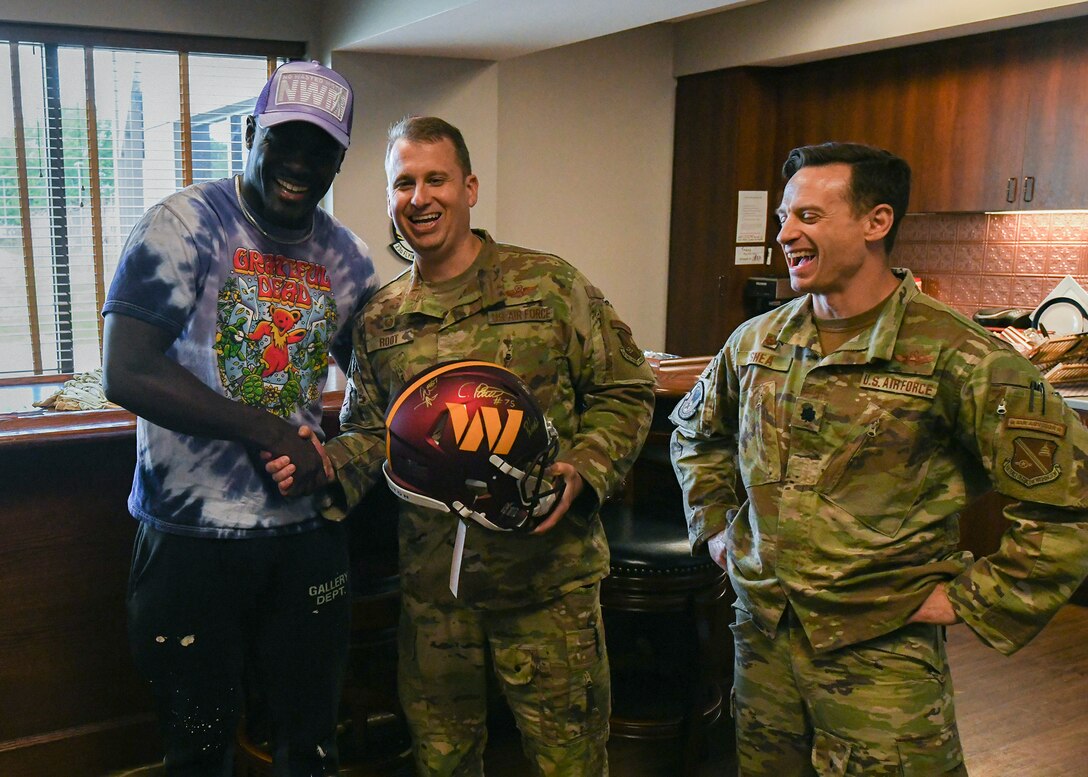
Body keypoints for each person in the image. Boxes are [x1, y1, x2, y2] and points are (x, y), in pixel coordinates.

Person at [669, 141, 1088, 776]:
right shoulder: (757, 342)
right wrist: (718, 530)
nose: (786, 235)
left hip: (880, 656)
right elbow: (696, 436)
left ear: (876, 222)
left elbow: (1069, 499)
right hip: (763, 641)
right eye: (784, 217)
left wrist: (975, 598)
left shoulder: (957, 355)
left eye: (808, 217)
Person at [268, 115, 655, 776]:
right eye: (403, 183)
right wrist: (321, 465)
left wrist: (583, 468)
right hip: (435, 593)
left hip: (546, 583)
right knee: (443, 761)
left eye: (435, 179)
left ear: (470, 187)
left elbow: (627, 386)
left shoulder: (550, 287)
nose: (419, 198)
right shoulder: (381, 319)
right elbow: (370, 433)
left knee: (571, 761)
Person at [101, 60, 378, 776]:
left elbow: (378, 388)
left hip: (304, 536)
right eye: (284, 139)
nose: (300, 164)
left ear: (338, 160)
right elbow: (126, 369)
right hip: (192, 537)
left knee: (310, 745)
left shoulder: (349, 260)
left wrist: (330, 452)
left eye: (320, 150)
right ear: (251, 132)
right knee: (198, 747)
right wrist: (267, 428)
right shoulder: (183, 223)